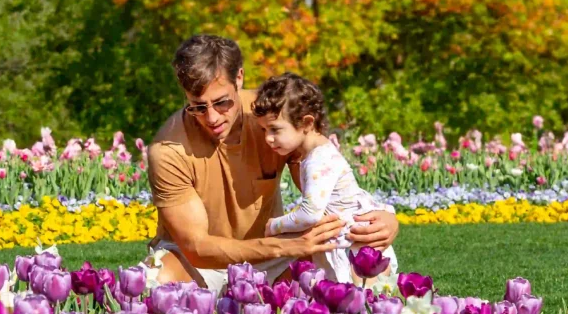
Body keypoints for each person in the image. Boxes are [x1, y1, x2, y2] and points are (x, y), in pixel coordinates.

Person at [146, 34, 399, 291]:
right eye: (198, 107)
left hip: (270, 257)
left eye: (221, 102)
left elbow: (325, 179)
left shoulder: (271, 117)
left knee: (367, 258)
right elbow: (197, 247)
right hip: (198, 263)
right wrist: (284, 245)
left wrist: (385, 220)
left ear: (239, 78)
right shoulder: (168, 150)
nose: (211, 117)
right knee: (156, 283)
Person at [254, 72, 398, 284]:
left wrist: (275, 225)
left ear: (306, 123)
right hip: (346, 242)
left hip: (353, 250)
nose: (268, 138)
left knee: (360, 305)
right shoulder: (315, 154)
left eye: (275, 129)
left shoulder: (318, 161)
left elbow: (310, 213)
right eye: (264, 129)